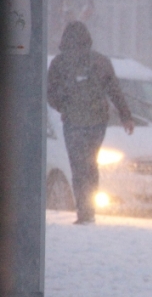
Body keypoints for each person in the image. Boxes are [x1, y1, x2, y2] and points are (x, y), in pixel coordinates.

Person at [47, 21, 134, 224]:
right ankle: (90, 209)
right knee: (90, 164)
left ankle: (83, 211)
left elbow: (50, 93)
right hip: (97, 123)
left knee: (78, 166)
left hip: (74, 123)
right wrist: (126, 116)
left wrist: (65, 106)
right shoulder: (100, 62)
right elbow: (115, 91)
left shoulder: (59, 63)